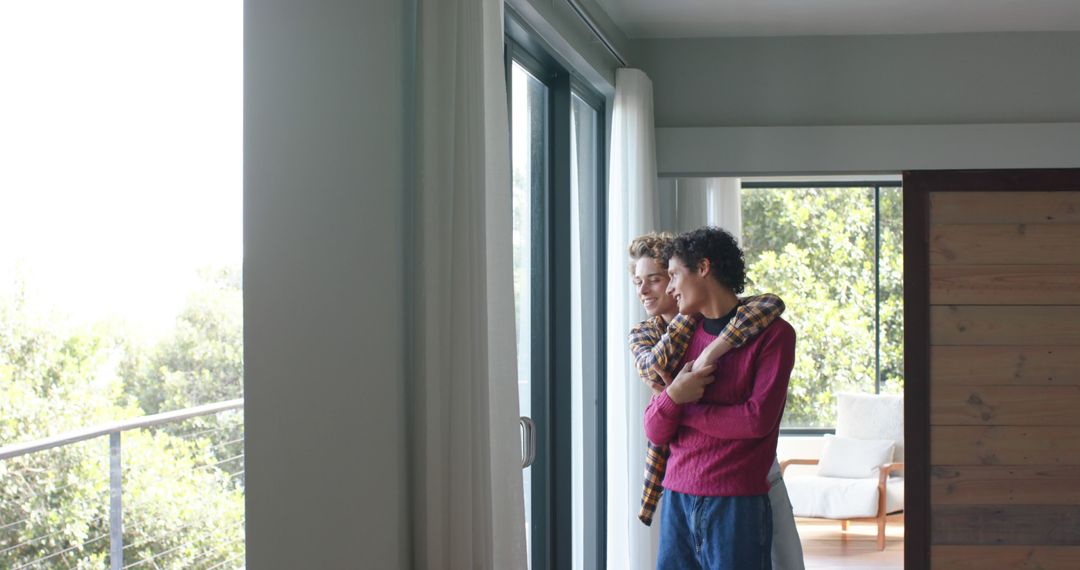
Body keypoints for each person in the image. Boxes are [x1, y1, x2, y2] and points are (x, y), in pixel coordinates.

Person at [627, 231, 805, 570]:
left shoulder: (774, 334)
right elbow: (655, 428)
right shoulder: (677, 338)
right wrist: (674, 397)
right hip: (677, 498)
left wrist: (682, 405)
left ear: (703, 268)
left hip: (737, 501)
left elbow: (756, 420)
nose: (669, 288)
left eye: (672, 275)